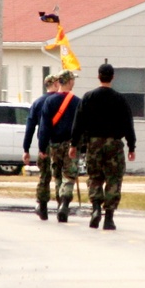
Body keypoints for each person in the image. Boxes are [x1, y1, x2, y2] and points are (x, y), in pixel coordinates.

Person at [70, 63, 136, 231]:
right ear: (113, 77)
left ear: (98, 76)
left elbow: (78, 123)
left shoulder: (88, 97)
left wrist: (74, 144)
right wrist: (131, 146)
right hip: (114, 144)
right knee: (114, 179)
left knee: (95, 177)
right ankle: (109, 218)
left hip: (94, 143)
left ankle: (96, 209)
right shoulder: (120, 99)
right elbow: (128, 124)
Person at [37, 70, 81, 223]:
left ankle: (59, 203)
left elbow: (44, 127)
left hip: (54, 144)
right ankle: (65, 202)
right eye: (73, 80)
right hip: (71, 145)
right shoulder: (77, 102)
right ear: (69, 82)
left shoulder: (49, 101)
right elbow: (81, 126)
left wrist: (42, 147)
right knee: (69, 176)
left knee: (57, 176)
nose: (74, 82)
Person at [23, 75, 59, 220]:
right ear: (56, 84)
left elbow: (30, 127)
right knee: (60, 176)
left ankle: (42, 206)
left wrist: (26, 148)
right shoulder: (62, 100)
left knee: (45, 176)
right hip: (61, 143)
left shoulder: (38, 102)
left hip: (44, 145)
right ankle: (62, 205)